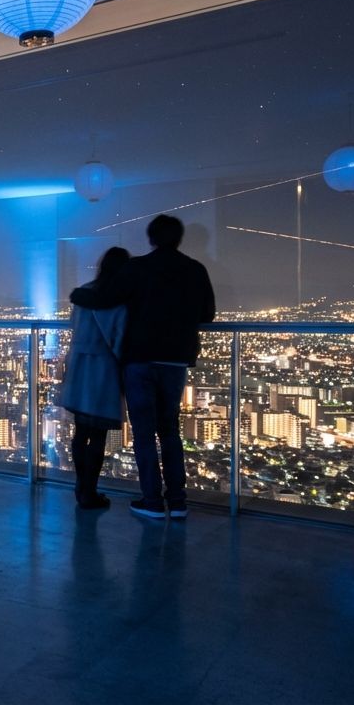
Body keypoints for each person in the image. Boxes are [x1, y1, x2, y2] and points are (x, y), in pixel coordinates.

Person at [71, 215, 216, 520]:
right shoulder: (196, 270)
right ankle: (177, 502)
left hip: (140, 360)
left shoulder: (137, 268)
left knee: (144, 433)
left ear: (151, 239)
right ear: (180, 239)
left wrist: (76, 294)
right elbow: (208, 313)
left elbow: (105, 298)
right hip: (176, 359)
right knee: (170, 431)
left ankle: (152, 501)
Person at [58, 247, 131, 509]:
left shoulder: (83, 294)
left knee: (80, 431)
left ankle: (80, 487)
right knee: (98, 435)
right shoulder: (119, 299)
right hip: (103, 368)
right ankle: (90, 490)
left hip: (79, 365)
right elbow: (120, 338)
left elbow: (73, 327)